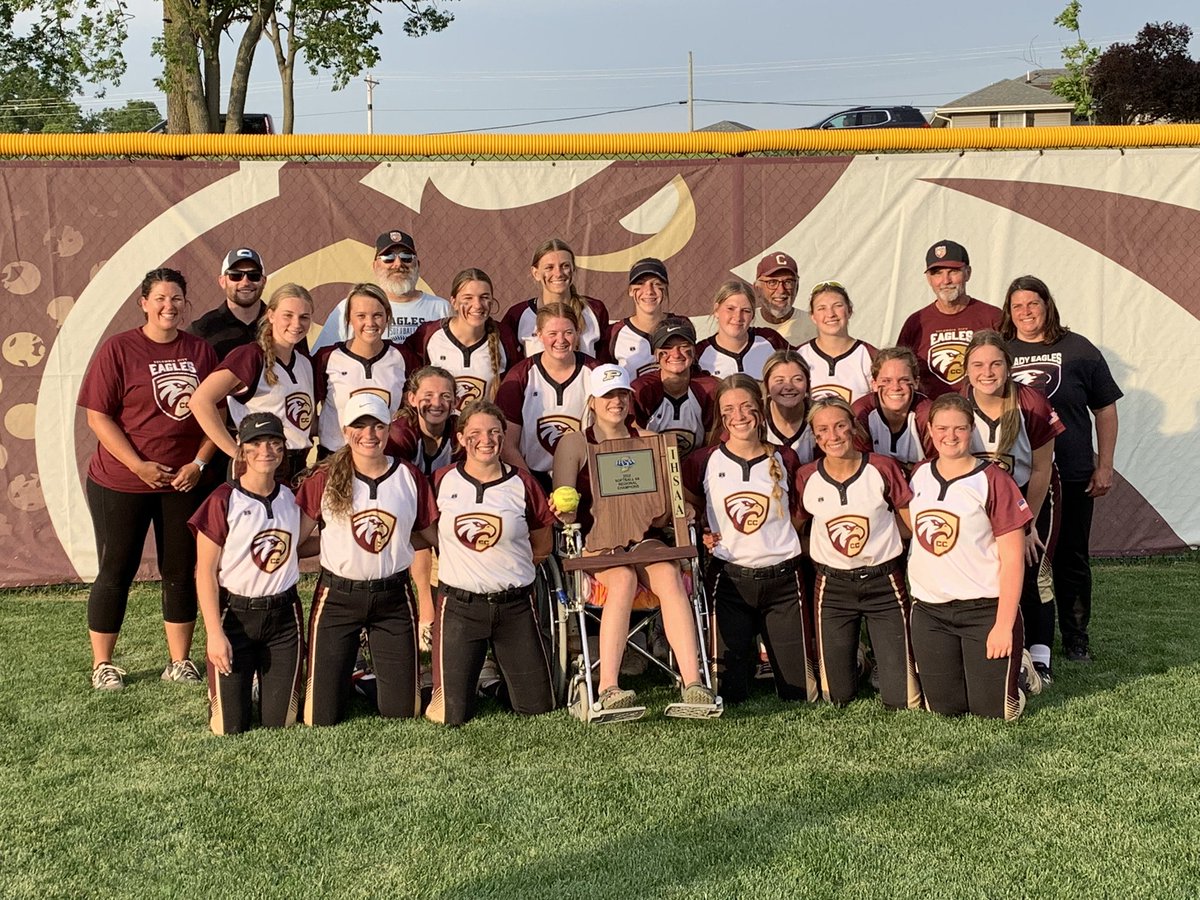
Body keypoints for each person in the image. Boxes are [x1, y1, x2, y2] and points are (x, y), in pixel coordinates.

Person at [78, 267, 218, 690]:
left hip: (182, 482)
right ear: (143, 303)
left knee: (181, 569)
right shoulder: (119, 349)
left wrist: (199, 464)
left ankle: (179, 661)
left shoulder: (200, 350)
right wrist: (137, 464)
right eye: (159, 298)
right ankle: (103, 663)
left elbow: (217, 415)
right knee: (116, 568)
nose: (168, 306)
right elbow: (97, 416)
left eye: (176, 298)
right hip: (121, 482)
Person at [551, 364, 715, 713]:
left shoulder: (653, 442)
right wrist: (563, 510)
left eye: (622, 394)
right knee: (623, 579)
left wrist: (684, 510)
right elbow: (564, 501)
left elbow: (671, 499)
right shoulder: (575, 443)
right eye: (608, 395)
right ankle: (610, 686)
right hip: (600, 542)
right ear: (593, 401)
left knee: (668, 574)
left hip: (645, 536)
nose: (617, 401)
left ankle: (694, 682)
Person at [294, 393, 437, 726]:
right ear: (345, 431)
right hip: (338, 597)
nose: (369, 434)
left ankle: (363, 679)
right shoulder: (324, 477)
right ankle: (352, 673)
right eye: (360, 426)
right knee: (320, 717)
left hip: (393, 597)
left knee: (402, 711)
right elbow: (296, 542)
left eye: (377, 426)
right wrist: (336, 543)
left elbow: (431, 535)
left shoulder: (409, 476)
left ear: (389, 430)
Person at [1002, 275, 1122, 663]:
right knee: (1013, 556)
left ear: (1047, 305)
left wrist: (1104, 465)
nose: (1025, 313)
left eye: (1032, 304)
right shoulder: (1000, 351)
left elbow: (1104, 408)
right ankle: (1018, 634)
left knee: (1069, 557)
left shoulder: (1078, 349)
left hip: (1069, 471)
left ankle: (1075, 637)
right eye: (1017, 306)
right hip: (1012, 476)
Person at [682, 374, 818, 705]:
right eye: (729, 409)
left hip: (783, 581)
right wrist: (700, 527)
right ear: (720, 415)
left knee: (800, 693)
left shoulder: (785, 458)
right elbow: (686, 505)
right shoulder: (703, 461)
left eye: (746, 406)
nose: (739, 416)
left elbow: (799, 514)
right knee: (729, 693)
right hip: (730, 581)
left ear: (760, 408)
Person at [426, 400, 557, 726]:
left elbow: (542, 542)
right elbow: (424, 535)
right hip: (460, 607)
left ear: (503, 436)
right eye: (476, 433)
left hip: (514, 607)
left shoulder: (523, 483)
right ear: (460, 438)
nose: (486, 440)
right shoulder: (441, 481)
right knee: (450, 716)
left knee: (536, 708)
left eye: (494, 432)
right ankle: (474, 674)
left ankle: (495, 681)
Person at [908, 392, 1032, 720]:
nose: (950, 436)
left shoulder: (993, 480)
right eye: (942, 428)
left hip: (983, 611)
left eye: (959, 429)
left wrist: (1003, 625)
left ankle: (1019, 673)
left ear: (971, 429)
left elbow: (1013, 560)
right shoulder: (919, 474)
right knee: (944, 709)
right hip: (931, 613)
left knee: (993, 712)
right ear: (930, 431)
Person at [795, 397, 920, 710]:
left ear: (854, 427)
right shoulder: (806, 476)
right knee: (836, 697)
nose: (833, 435)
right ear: (815, 436)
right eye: (823, 429)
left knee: (902, 699)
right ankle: (859, 659)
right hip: (833, 587)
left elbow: (910, 527)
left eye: (840, 425)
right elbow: (794, 530)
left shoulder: (882, 467)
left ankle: (882, 658)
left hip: (883, 582)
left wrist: (881, 541)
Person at [189, 412, 306, 734]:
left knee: (279, 722)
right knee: (229, 726)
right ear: (241, 449)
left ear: (283, 448)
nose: (265, 450)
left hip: (283, 616)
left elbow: (298, 545)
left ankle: (262, 682)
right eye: (255, 443)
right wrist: (214, 634)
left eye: (273, 442)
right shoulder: (222, 500)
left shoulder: (292, 498)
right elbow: (205, 573)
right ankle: (242, 683)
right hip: (236, 616)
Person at [963, 330, 1064, 688]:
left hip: (1029, 495)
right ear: (966, 369)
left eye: (995, 363)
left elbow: (1040, 469)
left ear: (1008, 366)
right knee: (989, 569)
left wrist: (1028, 525)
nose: (986, 371)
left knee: (1033, 567)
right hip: (979, 501)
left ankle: (1041, 656)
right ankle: (999, 643)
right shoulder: (956, 404)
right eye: (977, 364)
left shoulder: (1031, 402)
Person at [191, 283, 316, 484]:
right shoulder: (250, 356)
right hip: (260, 466)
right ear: (271, 315)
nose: (296, 323)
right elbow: (200, 401)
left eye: (304, 317)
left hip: (298, 467)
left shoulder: (304, 362)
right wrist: (235, 452)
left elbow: (306, 422)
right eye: (288, 315)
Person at [387, 365, 460, 646]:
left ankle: (445, 612)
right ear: (412, 399)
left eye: (445, 396)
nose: (437, 403)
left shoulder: (459, 431)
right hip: (404, 506)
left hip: (447, 507)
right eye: (428, 395)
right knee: (418, 528)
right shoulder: (400, 434)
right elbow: (398, 487)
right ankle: (427, 613)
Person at [495, 302, 597, 491]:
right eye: (552, 334)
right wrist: (533, 490)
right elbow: (508, 445)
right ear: (539, 335)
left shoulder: (596, 373)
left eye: (568, 332)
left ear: (577, 333)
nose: (561, 340)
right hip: (534, 477)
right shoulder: (520, 376)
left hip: (585, 479)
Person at [313, 283, 416, 457]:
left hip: (385, 458)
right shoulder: (327, 358)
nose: (370, 323)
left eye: (377, 315)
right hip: (335, 457)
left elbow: (412, 409)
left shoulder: (403, 356)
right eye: (361, 316)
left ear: (387, 316)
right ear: (348, 319)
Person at [312, 229, 451, 350]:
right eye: (388, 258)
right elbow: (324, 357)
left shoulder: (441, 308)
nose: (398, 264)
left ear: (418, 265)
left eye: (406, 257)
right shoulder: (349, 307)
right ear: (375, 266)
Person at [897, 240, 1001, 399]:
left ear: (968, 273)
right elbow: (900, 370)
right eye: (937, 273)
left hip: (981, 410)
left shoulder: (992, 317)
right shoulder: (916, 322)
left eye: (953, 271)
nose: (946, 281)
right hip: (932, 413)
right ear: (929, 279)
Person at [404, 268, 518, 406]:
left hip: (482, 426)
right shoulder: (428, 334)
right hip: (440, 426)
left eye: (484, 297)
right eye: (468, 298)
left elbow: (513, 395)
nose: (477, 305)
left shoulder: (504, 337)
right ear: (453, 302)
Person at [501, 238, 611, 358]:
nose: (558, 273)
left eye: (565, 266)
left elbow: (605, 364)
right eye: (549, 267)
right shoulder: (518, 315)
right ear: (535, 273)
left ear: (573, 269)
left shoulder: (595, 309)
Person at [631, 316, 719, 458]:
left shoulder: (710, 389)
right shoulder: (642, 389)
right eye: (667, 347)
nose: (676, 354)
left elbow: (715, 445)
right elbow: (631, 438)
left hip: (698, 469)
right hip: (654, 467)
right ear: (655, 353)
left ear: (694, 350)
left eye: (683, 346)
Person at [852, 347, 934, 477]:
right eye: (886, 381)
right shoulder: (861, 413)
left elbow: (942, 465)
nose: (895, 387)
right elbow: (858, 467)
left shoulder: (928, 415)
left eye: (903, 380)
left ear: (916, 382)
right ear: (874, 384)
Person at [796, 280, 877, 403]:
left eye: (837, 306)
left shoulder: (870, 356)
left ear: (849, 311)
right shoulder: (799, 356)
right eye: (821, 308)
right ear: (812, 316)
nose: (830, 314)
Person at [695, 279, 788, 381]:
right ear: (716, 310)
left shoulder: (770, 339)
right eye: (730, 309)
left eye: (746, 311)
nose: (738, 317)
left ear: (752, 315)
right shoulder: (700, 353)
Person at [189, 247, 269, 361]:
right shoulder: (201, 331)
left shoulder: (282, 323)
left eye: (253, 275)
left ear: (263, 281)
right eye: (235, 275)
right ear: (222, 281)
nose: (245, 282)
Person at [605, 257, 670, 380]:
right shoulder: (614, 333)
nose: (649, 291)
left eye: (656, 284)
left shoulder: (680, 326)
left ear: (665, 289)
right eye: (640, 284)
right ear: (630, 290)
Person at [762, 349, 816, 463]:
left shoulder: (819, 416)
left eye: (797, 379)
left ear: (808, 384)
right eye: (779, 380)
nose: (788, 386)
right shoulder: (756, 419)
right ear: (766, 386)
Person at [753, 250, 816, 346]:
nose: (781, 290)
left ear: (797, 287)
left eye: (788, 282)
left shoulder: (815, 326)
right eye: (772, 282)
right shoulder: (743, 324)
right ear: (757, 288)